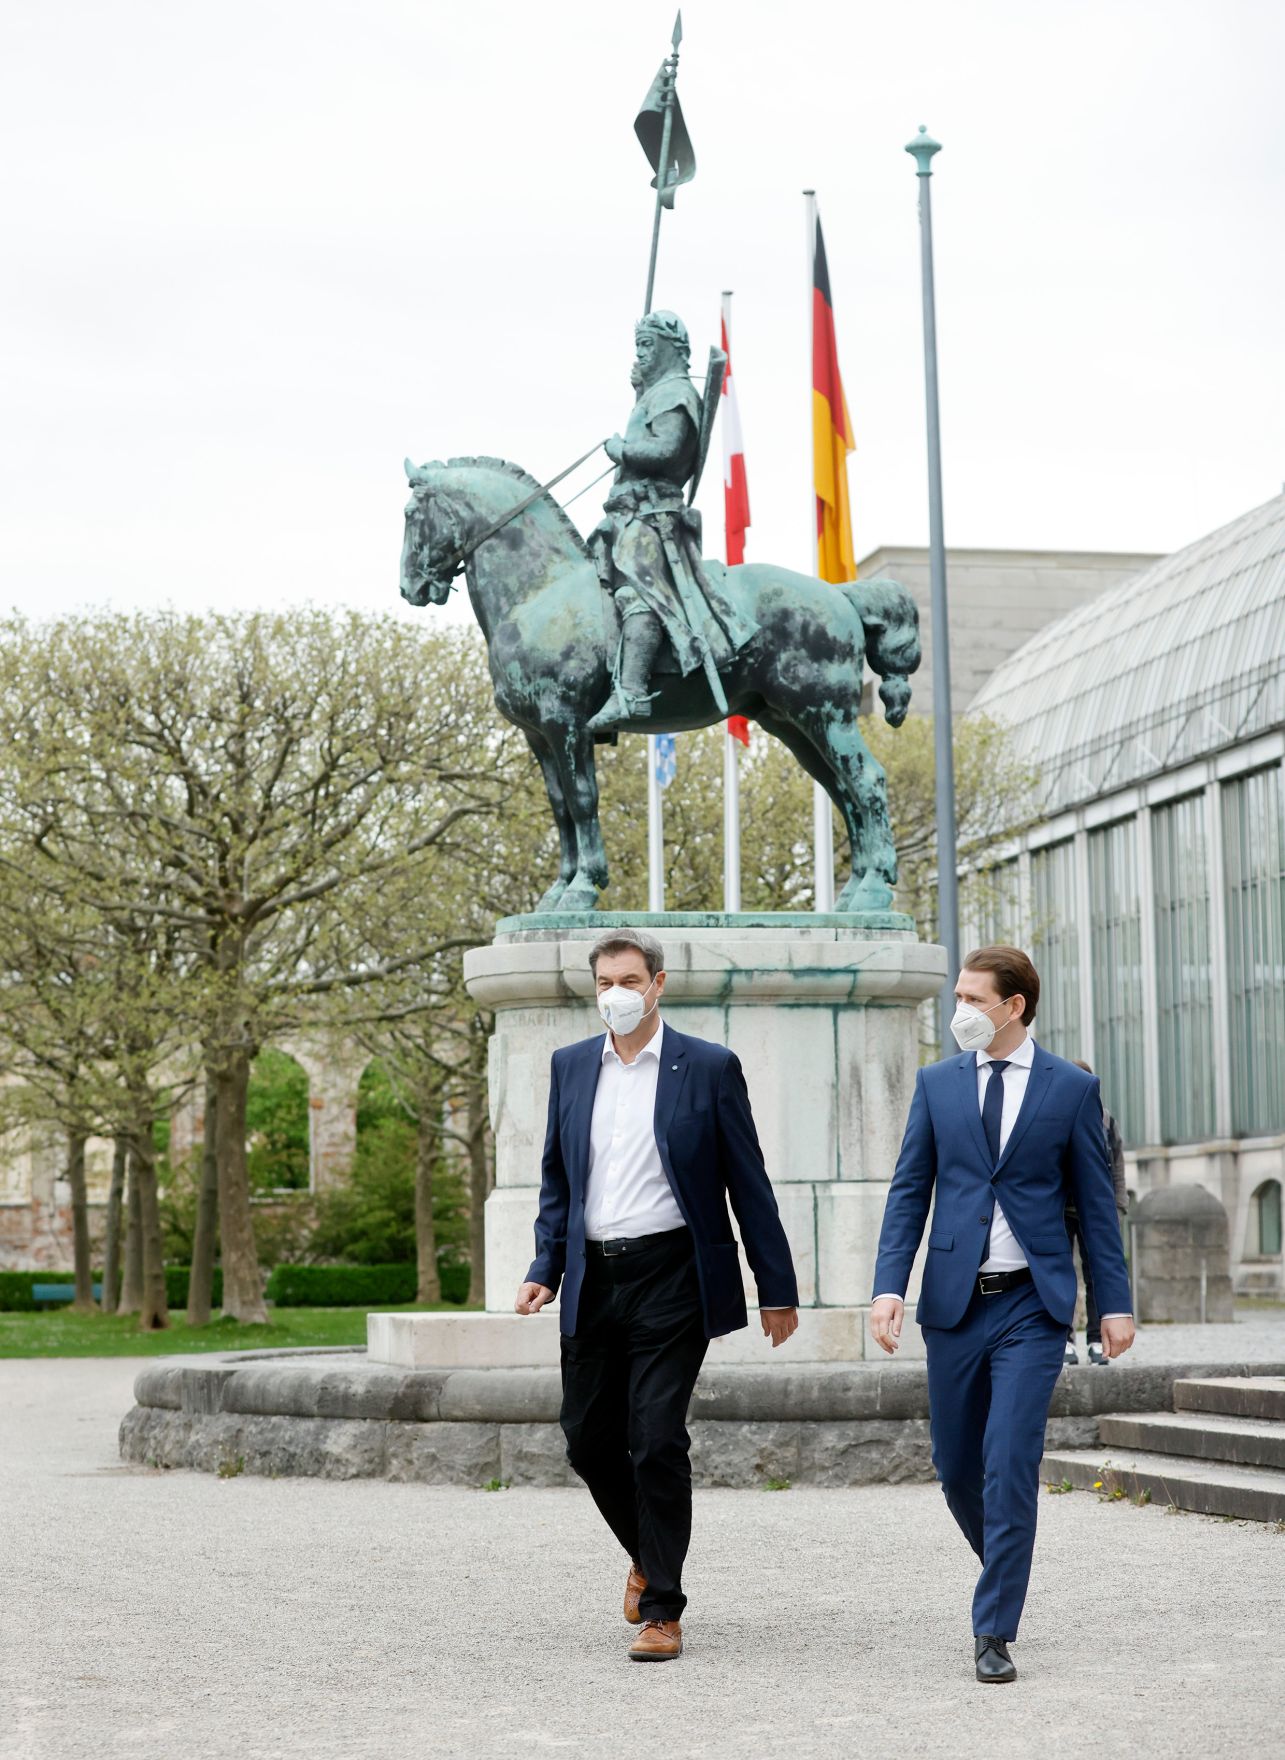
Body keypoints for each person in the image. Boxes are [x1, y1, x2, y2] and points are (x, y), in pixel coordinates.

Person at [515, 927, 799, 1662]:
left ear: (658, 984)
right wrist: (544, 1265)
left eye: (630, 980)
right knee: (586, 1438)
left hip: (673, 1274)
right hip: (593, 1276)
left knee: (658, 1438)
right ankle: (647, 1551)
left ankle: (663, 1610)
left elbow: (748, 1182)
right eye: (605, 981)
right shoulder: (572, 1067)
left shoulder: (706, 1068)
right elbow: (557, 1178)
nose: (617, 994)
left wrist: (777, 1288)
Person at [869, 945, 1135, 1684]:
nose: (958, 1013)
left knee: (1008, 1462)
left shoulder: (1071, 1090)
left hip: (1031, 1303)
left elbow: (1096, 1210)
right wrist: (888, 1286)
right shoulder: (936, 1084)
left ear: (1014, 1006)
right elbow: (907, 1192)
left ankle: (993, 1628)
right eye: (955, 998)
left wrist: (1112, 1302)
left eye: (972, 1000)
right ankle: (1006, 1563)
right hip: (953, 1304)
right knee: (956, 1467)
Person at [585, 311, 758, 731]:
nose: (640, 354)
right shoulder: (656, 392)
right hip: (630, 514)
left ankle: (633, 691)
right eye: (638, 346)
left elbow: (667, 450)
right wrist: (641, 390)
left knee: (639, 592)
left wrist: (622, 451)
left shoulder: (675, 393)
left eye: (647, 346)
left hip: (653, 517)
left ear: (668, 349)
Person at [1064, 1059, 1130, 1366]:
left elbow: (1117, 1165)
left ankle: (1094, 1339)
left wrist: (1118, 1205)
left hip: (1096, 1212)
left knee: (1097, 1277)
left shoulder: (1105, 1120)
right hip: (1061, 1209)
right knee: (1061, 1276)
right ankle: (1064, 1339)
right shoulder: (1055, 1118)